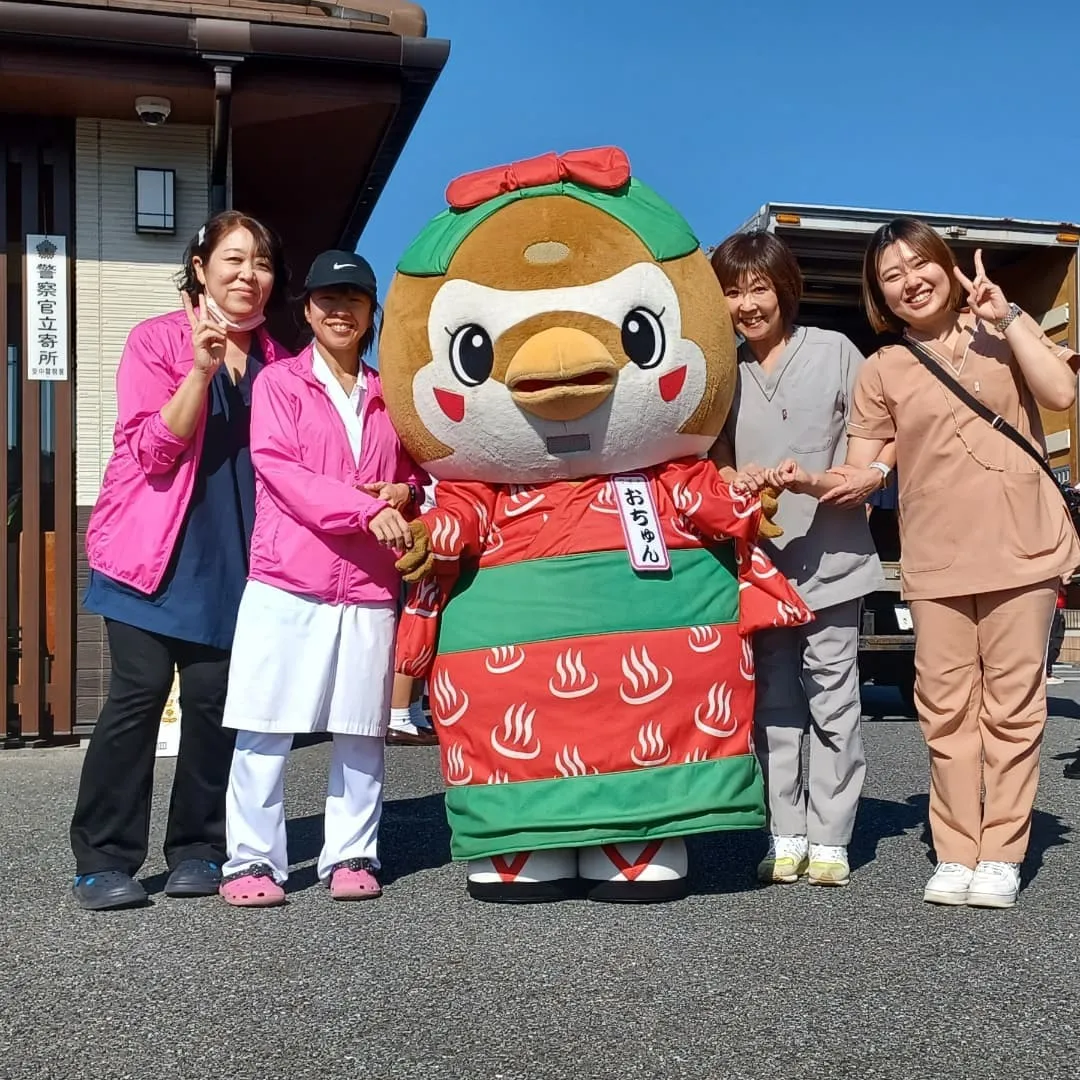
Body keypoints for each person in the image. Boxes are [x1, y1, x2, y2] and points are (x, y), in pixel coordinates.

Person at [777, 217, 1080, 908]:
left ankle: (1000, 854)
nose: (911, 281)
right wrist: (809, 481)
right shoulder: (883, 368)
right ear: (880, 294)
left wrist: (1011, 317)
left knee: (1012, 709)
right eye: (892, 275)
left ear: (947, 268)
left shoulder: (1003, 330)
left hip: (1023, 549)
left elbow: (1061, 396)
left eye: (921, 265)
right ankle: (954, 850)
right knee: (944, 711)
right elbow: (863, 471)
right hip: (937, 559)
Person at [70, 211, 287, 911]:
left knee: (212, 703)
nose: (248, 275)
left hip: (235, 559)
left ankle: (198, 848)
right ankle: (103, 860)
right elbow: (153, 450)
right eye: (233, 259)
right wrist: (199, 370)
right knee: (135, 696)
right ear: (201, 268)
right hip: (148, 554)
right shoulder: (157, 339)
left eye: (261, 263)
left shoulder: (282, 362)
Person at [217, 251, 426, 907]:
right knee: (264, 725)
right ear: (307, 309)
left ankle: (352, 854)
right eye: (328, 299)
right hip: (286, 580)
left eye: (354, 300)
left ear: (371, 315)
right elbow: (282, 473)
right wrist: (369, 508)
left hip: (366, 584)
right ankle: (250, 862)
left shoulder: (392, 393)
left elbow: (417, 479)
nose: (341, 310)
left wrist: (404, 491)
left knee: (362, 728)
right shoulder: (278, 384)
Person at [708, 231, 888, 889]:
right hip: (763, 566)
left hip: (833, 558)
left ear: (785, 288)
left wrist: (831, 479)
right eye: (732, 290)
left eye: (759, 286)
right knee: (775, 704)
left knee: (834, 699)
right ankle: (785, 833)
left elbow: (876, 442)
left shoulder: (838, 352)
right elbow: (714, 459)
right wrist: (733, 477)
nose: (748, 303)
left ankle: (832, 837)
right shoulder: (724, 374)